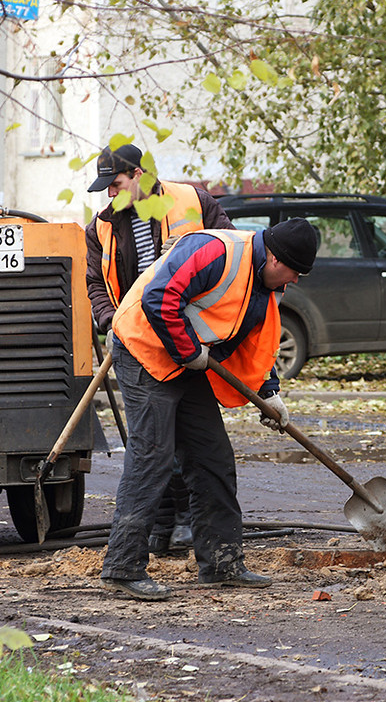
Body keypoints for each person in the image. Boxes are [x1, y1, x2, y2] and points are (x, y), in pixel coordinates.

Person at [100, 218, 318, 600]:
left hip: (188, 361)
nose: (295, 280)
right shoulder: (215, 252)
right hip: (145, 352)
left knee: (212, 456)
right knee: (153, 455)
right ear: (275, 258)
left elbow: (257, 341)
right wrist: (189, 352)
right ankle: (123, 566)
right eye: (294, 271)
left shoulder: (269, 286)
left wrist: (268, 392)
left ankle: (221, 563)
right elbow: (159, 298)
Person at [85, 143, 235, 556]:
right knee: (152, 442)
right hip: (138, 344)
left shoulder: (192, 202)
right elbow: (96, 284)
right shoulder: (102, 226)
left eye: (115, 184)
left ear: (139, 174)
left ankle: (186, 521)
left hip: (190, 338)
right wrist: (109, 321)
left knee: (193, 441)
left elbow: (231, 251)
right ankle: (161, 526)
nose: (109, 195)